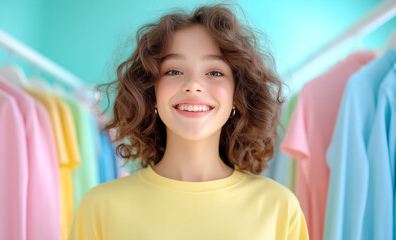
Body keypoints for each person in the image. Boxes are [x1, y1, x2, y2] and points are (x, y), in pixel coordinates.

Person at [68, 4, 308, 240]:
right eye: (174, 71)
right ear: (151, 92)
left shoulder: (279, 207)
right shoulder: (100, 206)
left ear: (237, 95)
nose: (194, 85)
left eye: (214, 72)